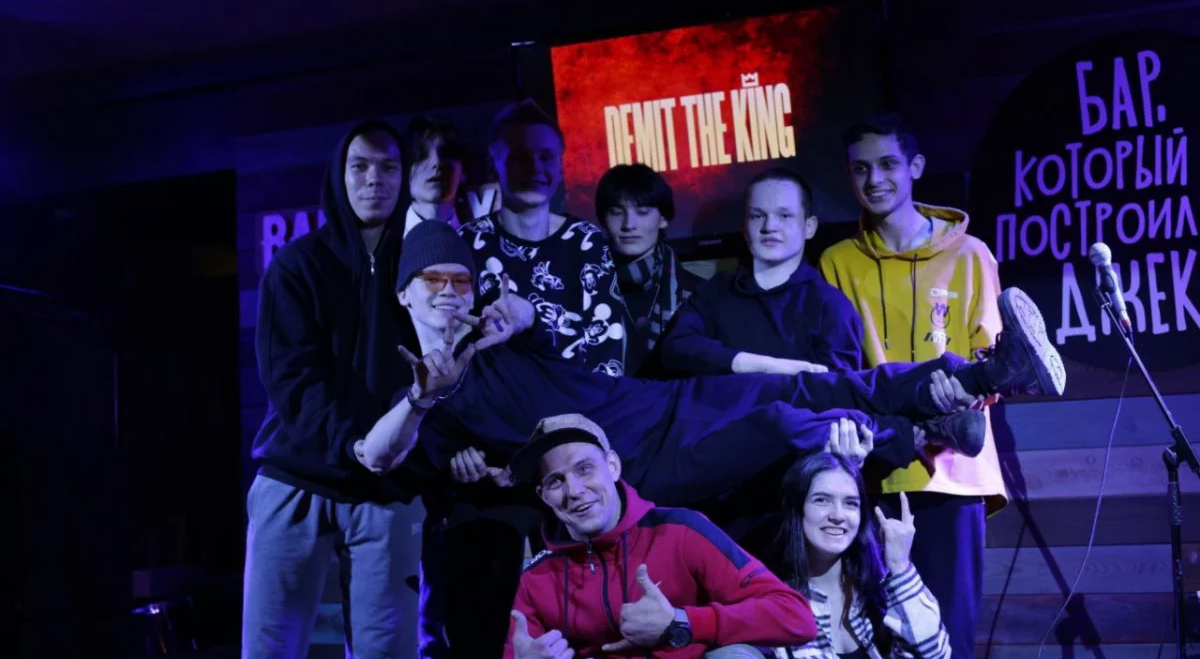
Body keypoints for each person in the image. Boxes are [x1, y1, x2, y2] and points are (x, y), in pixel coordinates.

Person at [360, 221, 1065, 511]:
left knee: (810, 383)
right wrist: (423, 402)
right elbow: (375, 456)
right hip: (641, 468)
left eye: (460, 279)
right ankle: (919, 431)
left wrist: (517, 312)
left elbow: (528, 317)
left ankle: (984, 376)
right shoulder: (421, 397)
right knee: (784, 424)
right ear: (404, 293)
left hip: (665, 403)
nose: (449, 293)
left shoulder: (501, 335)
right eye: (433, 281)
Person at [453, 412, 820, 659]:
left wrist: (681, 623)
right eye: (556, 481)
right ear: (543, 496)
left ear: (612, 466)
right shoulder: (539, 578)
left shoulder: (680, 531)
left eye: (584, 469)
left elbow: (796, 616)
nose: (574, 491)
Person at [227, 120, 425, 659]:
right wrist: (355, 446)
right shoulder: (297, 265)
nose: (374, 180)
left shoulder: (424, 268)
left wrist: (389, 454)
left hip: (386, 489)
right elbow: (292, 383)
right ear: (339, 176)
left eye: (388, 167)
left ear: (404, 176)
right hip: (296, 480)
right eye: (360, 166)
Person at [819, 113, 1020, 659]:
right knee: (875, 638)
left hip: (952, 475)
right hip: (872, 470)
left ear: (916, 168)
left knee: (947, 637)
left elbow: (991, 363)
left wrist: (960, 396)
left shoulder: (971, 255)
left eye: (887, 165)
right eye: (861, 169)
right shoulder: (836, 262)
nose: (874, 179)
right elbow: (839, 369)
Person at [765, 452, 990, 659]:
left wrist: (900, 566)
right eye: (822, 500)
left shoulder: (877, 583)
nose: (838, 515)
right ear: (797, 508)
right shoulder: (773, 603)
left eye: (850, 503)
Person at [460, 98, 627, 376]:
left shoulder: (586, 242)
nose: (535, 168)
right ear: (494, 164)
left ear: (560, 167)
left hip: (577, 398)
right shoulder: (467, 242)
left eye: (546, 157)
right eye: (520, 158)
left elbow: (606, 351)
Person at [659, 167, 863, 377]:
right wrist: (761, 365)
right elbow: (675, 349)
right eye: (757, 216)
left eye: (784, 215)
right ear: (744, 226)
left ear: (809, 227)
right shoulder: (713, 292)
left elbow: (838, 387)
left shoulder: (830, 306)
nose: (769, 226)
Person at [595, 163, 702, 376]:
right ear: (603, 220)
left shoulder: (698, 293)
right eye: (616, 212)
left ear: (663, 219)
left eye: (642, 212)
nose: (628, 224)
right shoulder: (588, 289)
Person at [403, 116, 471, 236]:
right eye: (421, 155)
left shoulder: (478, 240)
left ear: (463, 170)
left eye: (446, 154)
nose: (437, 162)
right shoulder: (387, 242)